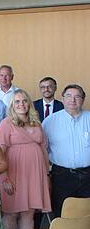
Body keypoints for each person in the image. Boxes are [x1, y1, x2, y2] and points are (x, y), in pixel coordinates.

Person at [0, 89, 52, 229]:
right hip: (13, 174)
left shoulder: (37, 123)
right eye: (17, 101)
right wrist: (4, 178)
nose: (21, 104)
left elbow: (43, 149)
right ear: (12, 105)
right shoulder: (6, 124)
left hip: (34, 175)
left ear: (29, 103)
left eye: (24, 101)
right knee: (11, 214)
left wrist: (46, 174)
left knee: (29, 213)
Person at [41, 84, 90, 217]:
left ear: (83, 99)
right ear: (62, 99)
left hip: (88, 176)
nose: (72, 100)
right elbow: (43, 150)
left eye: (77, 96)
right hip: (61, 176)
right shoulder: (50, 121)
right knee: (62, 213)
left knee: (86, 215)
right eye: (68, 96)